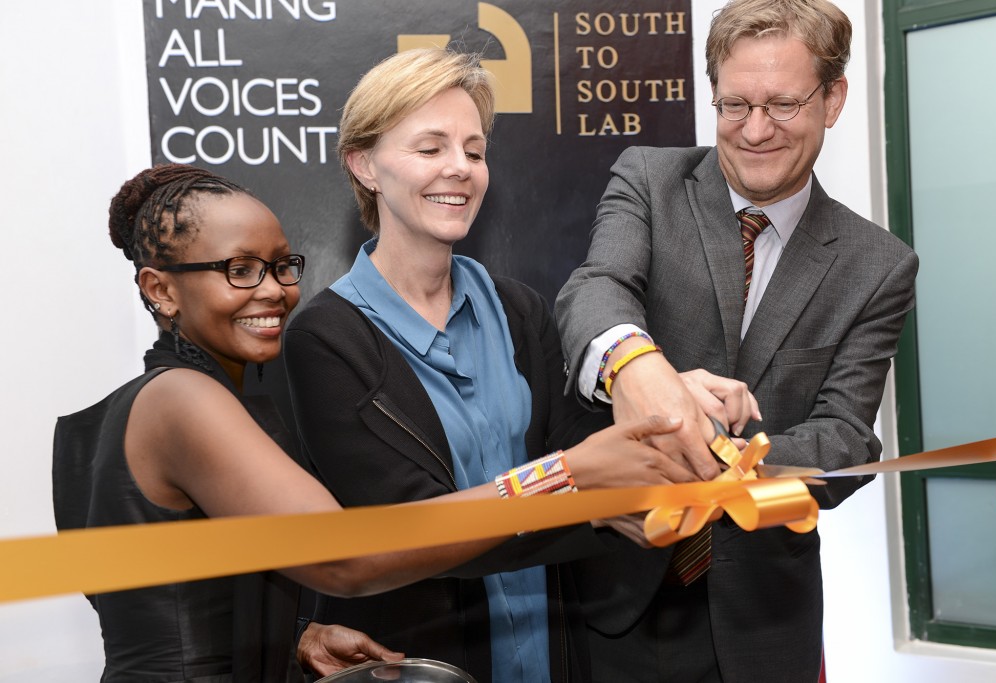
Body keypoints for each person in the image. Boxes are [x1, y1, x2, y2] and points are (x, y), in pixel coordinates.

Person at [52, 163, 687, 682]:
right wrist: (564, 475)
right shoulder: (183, 401)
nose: (272, 291)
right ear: (160, 290)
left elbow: (182, 595)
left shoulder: (204, 396)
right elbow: (349, 556)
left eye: (280, 265)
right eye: (237, 270)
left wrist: (299, 637)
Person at [282, 48, 715, 683]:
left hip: (553, 651)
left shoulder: (516, 309)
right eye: (431, 148)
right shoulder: (326, 337)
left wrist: (670, 407)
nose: (459, 169)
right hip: (420, 662)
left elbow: (590, 454)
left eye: (475, 151)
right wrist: (574, 482)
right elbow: (407, 533)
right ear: (365, 164)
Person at [554, 1, 919, 681]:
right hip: (617, 603)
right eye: (734, 105)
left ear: (832, 98)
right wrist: (641, 372)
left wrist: (705, 450)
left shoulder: (878, 265)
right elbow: (594, 290)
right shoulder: (649, 181)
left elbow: (844, 438)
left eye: (781, 105)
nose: (755, 131)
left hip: (764, 625)